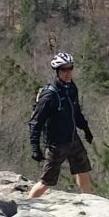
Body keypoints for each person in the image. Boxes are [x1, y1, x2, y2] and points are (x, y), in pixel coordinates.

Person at [27, 51, 96, 198]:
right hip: (56, 145)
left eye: (70, 68)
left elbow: (76, 112)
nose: (68, 72)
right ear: (57, 71)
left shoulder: (71, 89)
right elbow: (35, 122)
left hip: (73, 139)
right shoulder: (50, 95)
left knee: (83, 170)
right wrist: (35, 147)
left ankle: (89, 200)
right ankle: (27, 205)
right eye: (64, 69)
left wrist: (85, 129)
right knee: (46, 181)